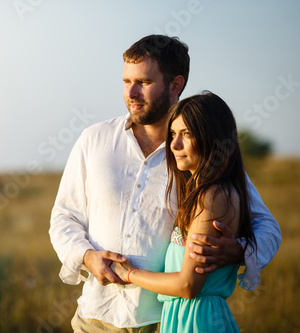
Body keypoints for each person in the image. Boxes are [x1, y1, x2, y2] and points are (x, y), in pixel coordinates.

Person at [49, 34, 281, 332]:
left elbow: (268, 228)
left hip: (166, 322)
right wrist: (87, 256)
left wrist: (237, 252)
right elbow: (63, 217)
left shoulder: (200, 154)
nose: (130, 92)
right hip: (94, 317)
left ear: (175, 85)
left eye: (143, 83)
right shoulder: (94, 140)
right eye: (125, 81)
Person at [111, 91, 256, 332]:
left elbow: (187, 285)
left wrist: (129, 274)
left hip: (197, 320)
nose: (174, 145)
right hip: (186, 317)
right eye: (173, 134)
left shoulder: (212, 196)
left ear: (213, 137)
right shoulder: (204, 190)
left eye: (187, 134)